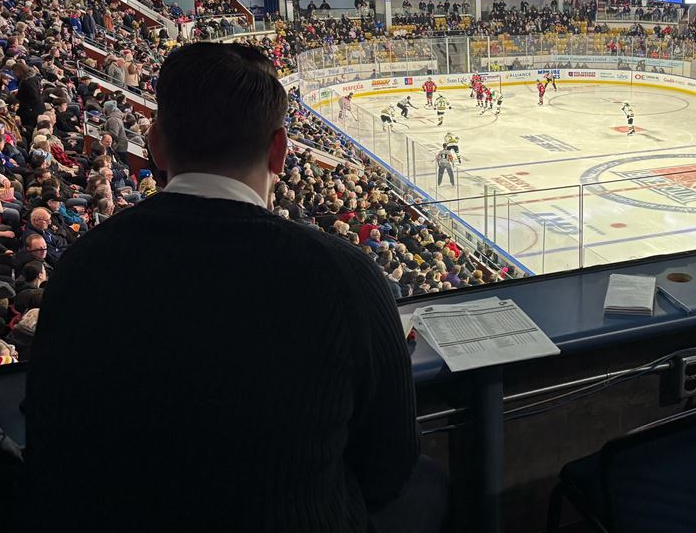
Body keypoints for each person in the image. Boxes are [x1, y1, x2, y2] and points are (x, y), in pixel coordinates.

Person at [24, 42, 439, 533]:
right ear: (280, 150)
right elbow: (389, 465)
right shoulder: (343, 276)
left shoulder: (81, 265)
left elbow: (49, 440)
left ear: (155, 143)